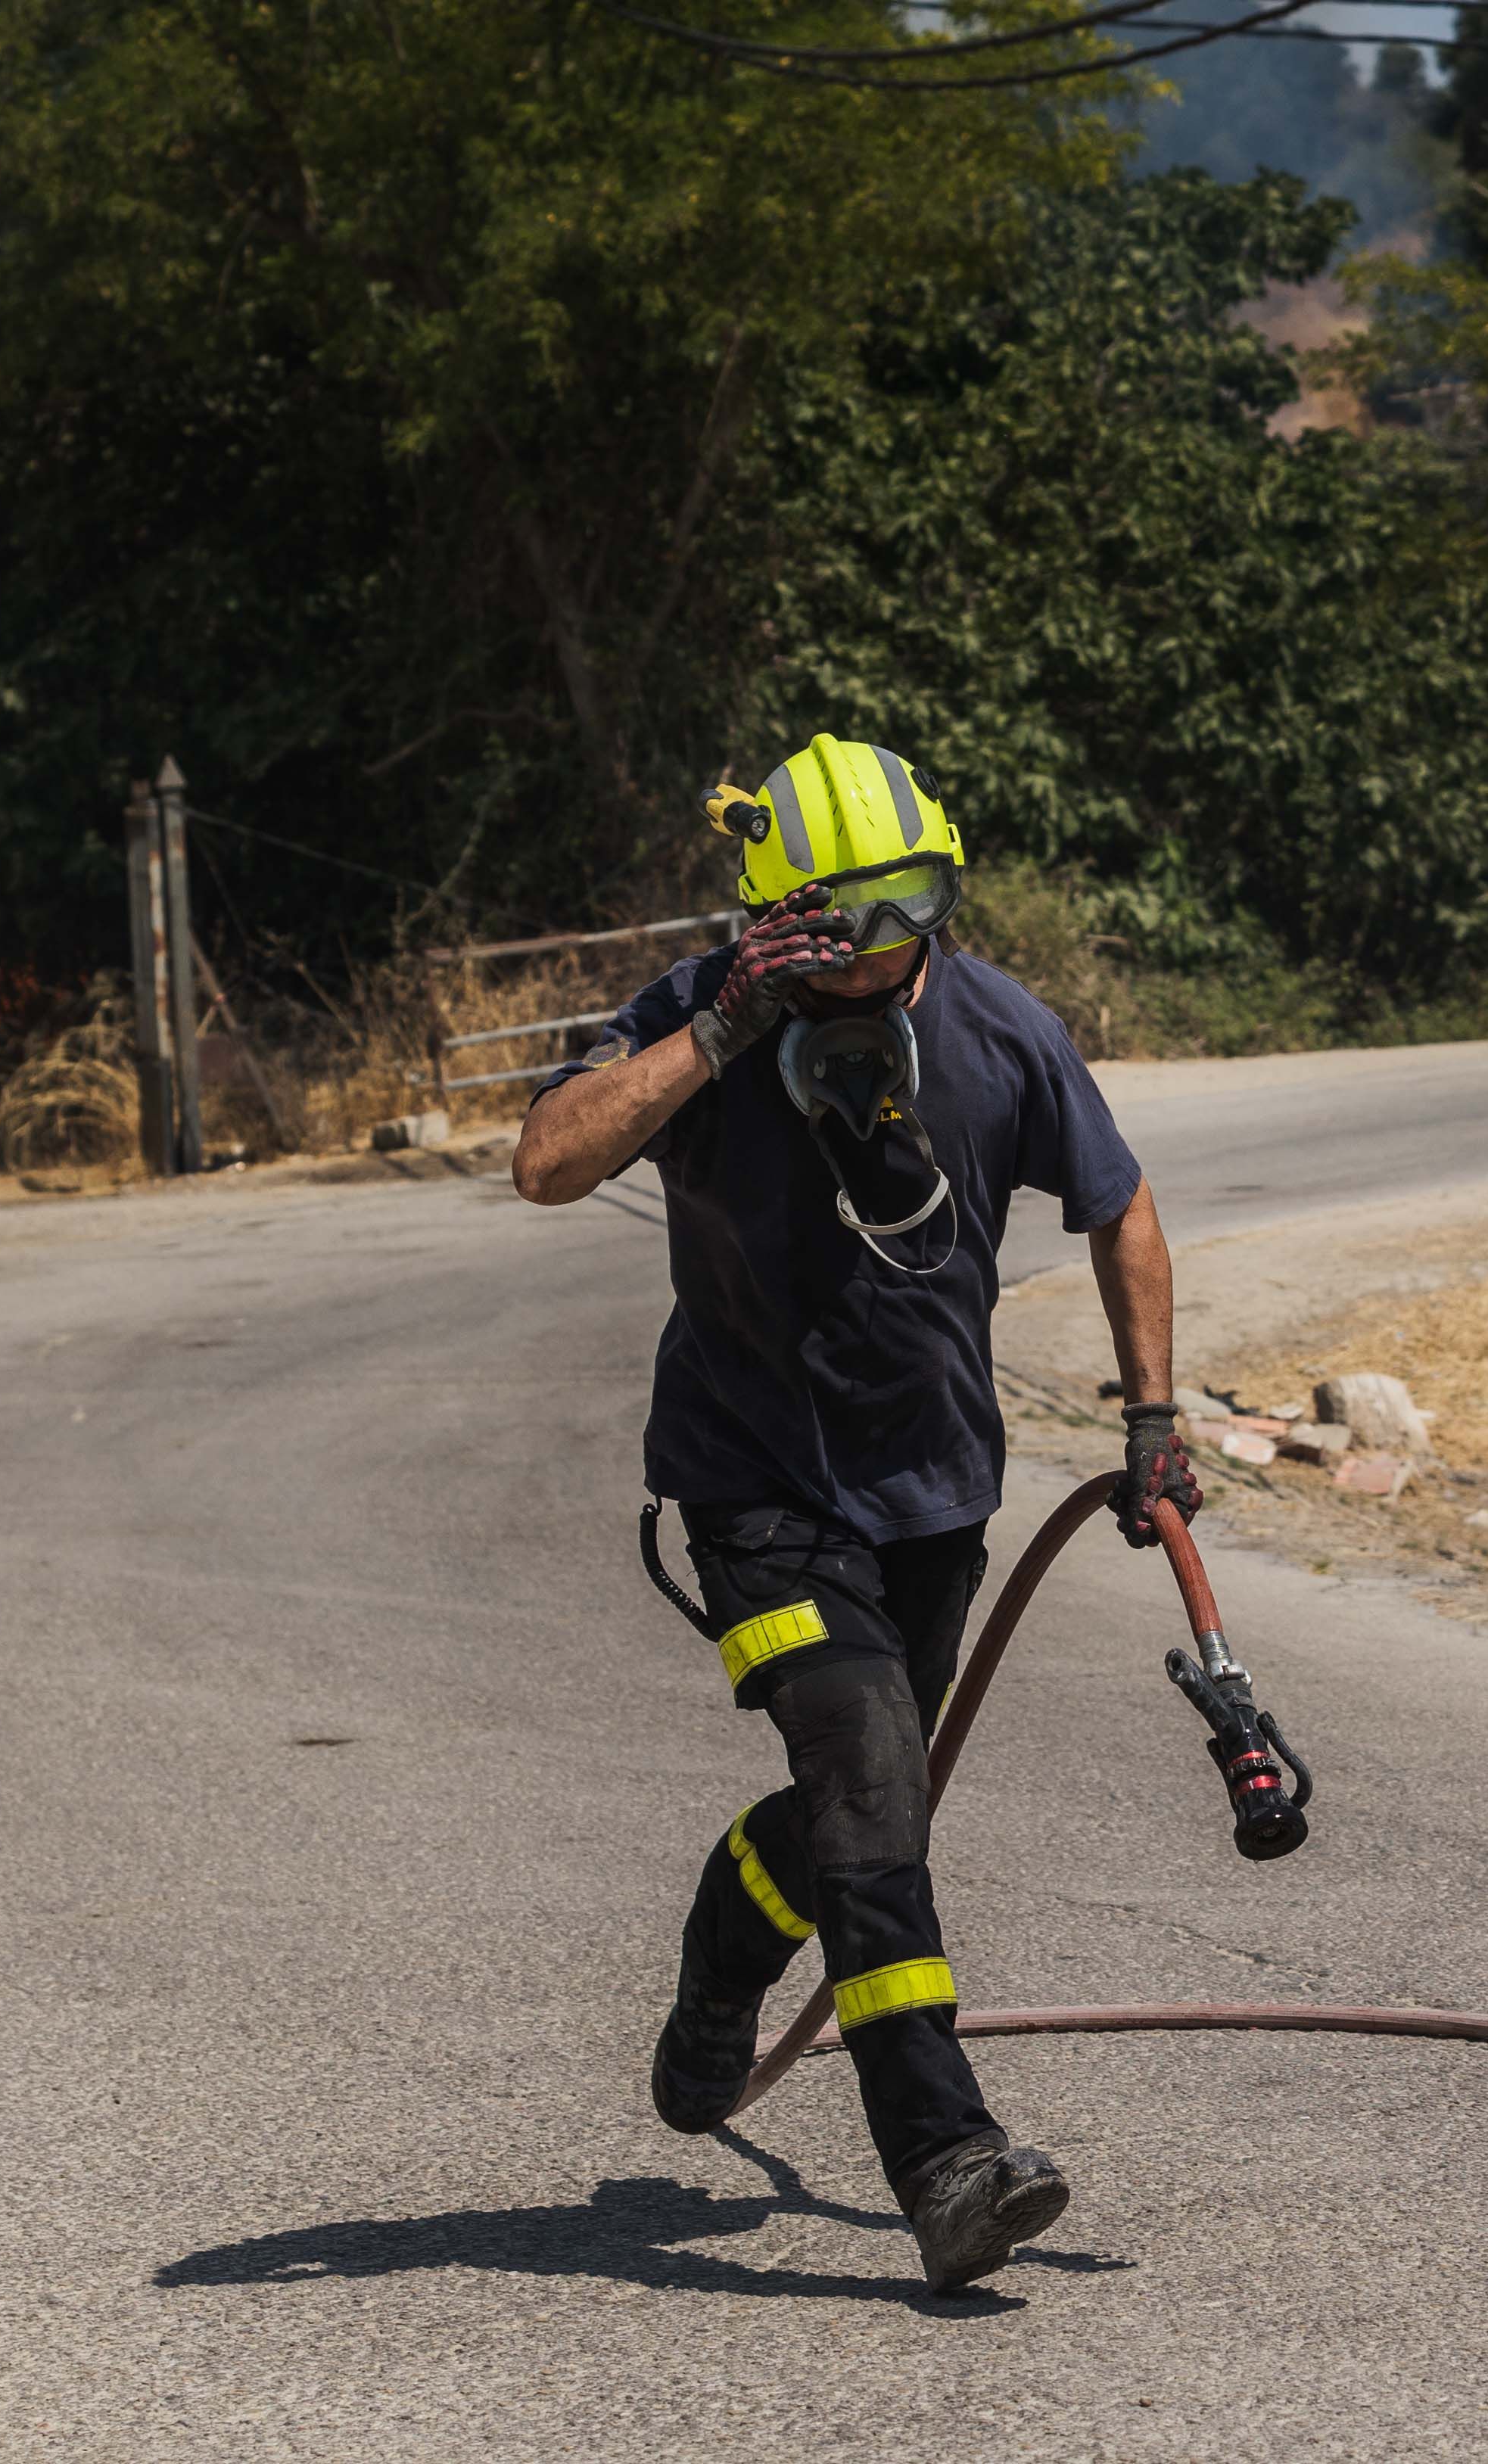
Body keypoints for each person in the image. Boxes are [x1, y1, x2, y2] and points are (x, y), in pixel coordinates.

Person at [511, 733, 1205, 2291]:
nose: (892, 951)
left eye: (917, 908)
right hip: (752, 1490)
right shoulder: (704, 1014)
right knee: (875, 1783)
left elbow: (1123, 1203)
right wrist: (726, 1022)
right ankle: (947, 2161)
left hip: (936, 1496)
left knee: (861, 1815)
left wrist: (1151, 1410)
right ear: (776, 921)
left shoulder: (995, 1025)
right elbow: (545, 1162)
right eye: (849, 926)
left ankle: (723, 1952)